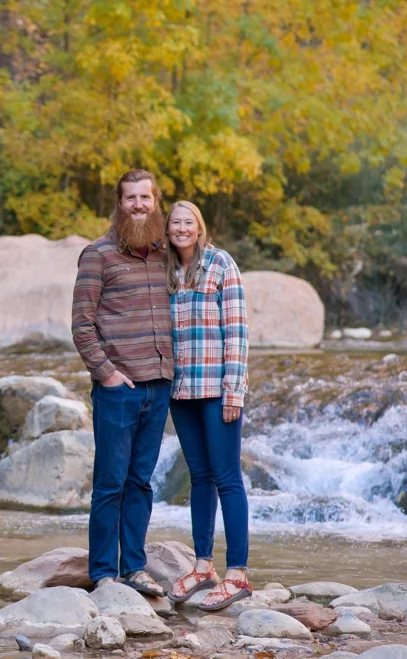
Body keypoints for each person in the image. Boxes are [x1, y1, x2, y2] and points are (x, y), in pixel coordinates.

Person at [70, 168, 175, 597]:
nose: (137, 205)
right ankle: (103, 573)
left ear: (155, 202)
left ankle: (133, 566)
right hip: (118, 389)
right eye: (130, 198)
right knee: (110, 484)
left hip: (160, 384)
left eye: (144, 198)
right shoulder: (97, 254)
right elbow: (81, 324)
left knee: (141, 482)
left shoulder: (166, 253)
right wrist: (107, 374)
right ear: (118, 203)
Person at [159, 200, 256, 610]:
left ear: (199, 227)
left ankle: (238, 574)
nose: (181, 229)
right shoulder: (165, 271)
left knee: (227, 478)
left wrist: (234, 391)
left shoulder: (220, 265)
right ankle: (203, 566)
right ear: (168, 230)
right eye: (175, 223)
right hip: (181, 393)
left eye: (188, 223)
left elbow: (237, 331)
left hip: (217, 390)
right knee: (200, 478)